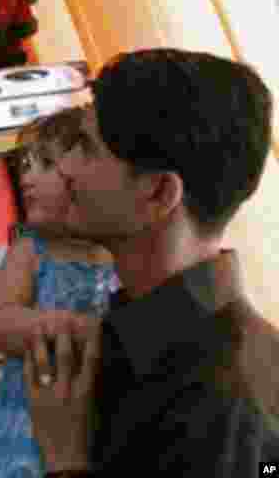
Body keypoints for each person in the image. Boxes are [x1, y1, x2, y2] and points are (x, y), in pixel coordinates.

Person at [22, 48, 279, 476]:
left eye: (85, 149)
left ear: (159, 194)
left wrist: (66, 461)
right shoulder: (137, 344)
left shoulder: (222, 403)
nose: (64, 167)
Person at [0, 106, 119, 478]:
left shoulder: (122, 253)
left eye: (45, 165)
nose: (27, 177)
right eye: (25, 165)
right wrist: (77, 330)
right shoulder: (33, 249)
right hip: (19, 428)